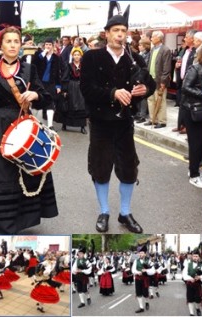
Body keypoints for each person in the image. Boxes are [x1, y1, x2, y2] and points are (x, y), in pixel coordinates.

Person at [0, 26, 59, 234]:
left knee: (25, 169)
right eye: (8, 42)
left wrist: (35, 96)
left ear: (21, 45)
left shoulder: (30, 70)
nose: (12, 45)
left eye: (16, 41)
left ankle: (21, 221)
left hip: (24, 126)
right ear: (1, 46)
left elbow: (45, 97)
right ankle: (0, 222)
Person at [80, 2, 156, 233]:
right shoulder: (92, 57)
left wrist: (146, 90)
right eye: (116, 31)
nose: (120, 35)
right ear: (107, 34)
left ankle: (125, 213)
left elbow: (149, 82)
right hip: (101, 123)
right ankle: (104, 211)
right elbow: (87, 89)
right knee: (101, 168)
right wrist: (113, 93)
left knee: (128, 168)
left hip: (124, 123)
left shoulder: (135, 59)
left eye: (124, 31)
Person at [181, 42, 202, 189]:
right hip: (193, 111)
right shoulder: (196, 68)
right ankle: (193, 175)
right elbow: (185, 88)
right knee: (196, 144)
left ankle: (195, 171)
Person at [31, 37, 62, 130]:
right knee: (37, 103)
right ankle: (34, 122)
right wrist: (44, 53)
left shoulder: (56, 58)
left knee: (50, 103)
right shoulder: (38, 55)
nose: (48, 46)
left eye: (50, 45)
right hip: (39, 83)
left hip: (51, 83)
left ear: (53, 46)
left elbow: (58, 73)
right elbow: (34, 63)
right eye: (46, 45)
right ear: (44, 46)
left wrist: (58, 85)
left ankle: (50, 125)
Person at [144, 30, 172, 128]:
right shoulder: (153, 49)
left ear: (158, 38)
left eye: (152, 37)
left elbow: (166, 67)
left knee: (160, 100)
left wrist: (164, 81)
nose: (151, 38)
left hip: (160, 80)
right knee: (151, 100)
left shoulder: (165, 50)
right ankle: (153, 119)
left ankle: (162, 121)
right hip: (151, 79)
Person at [57, 47, 88, 134]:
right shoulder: (69, 65)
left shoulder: (84, 65)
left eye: (78, 55)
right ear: (72, 56)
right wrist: (65, 90)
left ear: (81, 56)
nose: (77, 56)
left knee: (81, 106)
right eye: (75, 55)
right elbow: (65, 77)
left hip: (81, 87)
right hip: (71, 87)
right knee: (69, 105)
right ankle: (65, 124)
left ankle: (82, 126)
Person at [172, 30, 197, 134]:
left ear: (192, 38)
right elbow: (181, 62)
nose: (185, 39)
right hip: (182, 81)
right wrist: (177, 66)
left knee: (188, 106)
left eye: (186, 37)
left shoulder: (196, 52)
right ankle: (180, 125)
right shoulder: (185, 50)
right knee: (182, 105)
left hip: (191, 83)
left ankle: (187, 126)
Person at [182, 249, 202, 316]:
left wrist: (200, 277)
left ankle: (197, 308)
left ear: (199, 257)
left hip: (197, 286)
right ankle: (191, 313)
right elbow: (184, 274)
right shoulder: (188, 265)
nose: (195, 257)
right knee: (190, 299)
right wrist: (190, 278)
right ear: (192, 256)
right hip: (189, 285)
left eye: (196, 256)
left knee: (198, 300)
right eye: (194, 256)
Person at [132, 245, 155, 313]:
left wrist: (146, 270)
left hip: (145, 279)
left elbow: (153, 271)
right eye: (140, 253)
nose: (140, 254)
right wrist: (137, 272)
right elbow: (133, 270)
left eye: (142, 253)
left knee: (145, 294)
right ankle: (141, 307)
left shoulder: (149, 261)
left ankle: (146, 302)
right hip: (138, 279)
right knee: (138, 293)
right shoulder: (136, 261)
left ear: (145, 254)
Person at [135, 38, 151, 123]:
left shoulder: (147, 54)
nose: (139, 46)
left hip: (144, 78)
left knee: (143, 97)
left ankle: (142, 115)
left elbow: (144, 67)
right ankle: (139, 113)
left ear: (145, 46)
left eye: (140, 45)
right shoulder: (140, 54)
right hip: (138, 77)